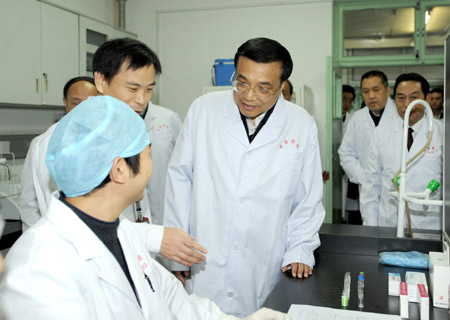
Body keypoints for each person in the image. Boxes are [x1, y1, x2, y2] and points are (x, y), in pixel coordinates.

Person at [0, 96, 290, 320]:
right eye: (148, 152)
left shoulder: (119, 231)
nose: (153, 166)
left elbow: (174, 302)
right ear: (120, 170)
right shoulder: (39, 268)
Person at [164, 37, 325, 317]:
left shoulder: (301, 124)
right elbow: (179, 179)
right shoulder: (203, 110)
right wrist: (176, 252)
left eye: (264, 88)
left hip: (263, 259)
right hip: (203, 256)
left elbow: (307, 197)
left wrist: (300, 250)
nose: (249, 96)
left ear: (282, 86)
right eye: (242, 82)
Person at [93, 38, 182, 226]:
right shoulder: (72, 143)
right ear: (101, 81)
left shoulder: (130, 132)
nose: (142, 99)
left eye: (149, 89)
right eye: (132, 88)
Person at [360, 73, 442, 230]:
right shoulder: (381, 133)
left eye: (414, 97)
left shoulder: (442, 133)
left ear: (427, 98)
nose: (406, 104)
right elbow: (371, 185)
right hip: (390, 224)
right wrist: (371, 230)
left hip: (430, 226)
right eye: (401, 98)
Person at [19, 76, 98, 232]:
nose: (82, 109)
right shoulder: (43, 143)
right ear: (65, 103)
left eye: (90, 102)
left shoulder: (106, 139)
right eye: (76, 103)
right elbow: (29, 203)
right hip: (56, 237)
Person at [338, 70, 398, 225]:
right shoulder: (357, 118)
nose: (371, 96)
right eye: (366, 91)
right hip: (366, 189)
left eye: (376, 90)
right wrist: (364, 177)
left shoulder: (400, 115)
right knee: (370, 228)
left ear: (388, 90)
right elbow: (346, 153)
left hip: (395, 189)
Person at [340, 84, 359, 222]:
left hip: (349, 170)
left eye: (350, 100)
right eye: (344, 99)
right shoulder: (330, 118)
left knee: (353, 208)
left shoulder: (354, 120)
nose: (347, 103)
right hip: (336, 170)